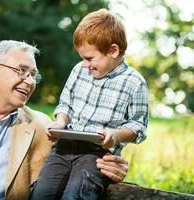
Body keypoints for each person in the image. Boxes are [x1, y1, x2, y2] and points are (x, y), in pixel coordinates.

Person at [0, 40, 129, 200]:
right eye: (21, 71)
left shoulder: (42, 126)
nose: (30, 82)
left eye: (33, 75)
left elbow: (75, 161)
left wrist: (110, 168)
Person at [29, 9, 148, 200]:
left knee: (75, 195)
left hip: (96, 153)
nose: (85, 64)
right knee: (41, 194)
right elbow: (65, 104)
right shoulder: (79, 70)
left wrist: (115, 135)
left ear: (113, 51)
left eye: (89, 58)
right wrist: (60, 123)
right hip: (64, 146)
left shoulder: (134, 82)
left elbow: (138, 127)